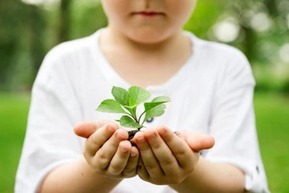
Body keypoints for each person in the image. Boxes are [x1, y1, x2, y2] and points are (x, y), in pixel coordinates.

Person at [15, 0, 270, 192]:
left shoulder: (226, 65)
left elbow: (240, 181)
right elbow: (42, 182)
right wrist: (101, 169)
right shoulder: (64, 64)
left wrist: (188, 170)